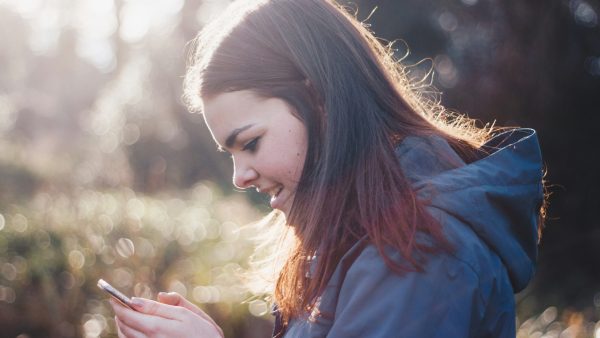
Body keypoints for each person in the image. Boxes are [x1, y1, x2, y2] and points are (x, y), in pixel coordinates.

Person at [110, 0, 546, 337]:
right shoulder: (362, 236)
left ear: (319, 101)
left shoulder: (417, 253)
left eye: (250, 143)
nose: (239, 176)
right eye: (232, 155)